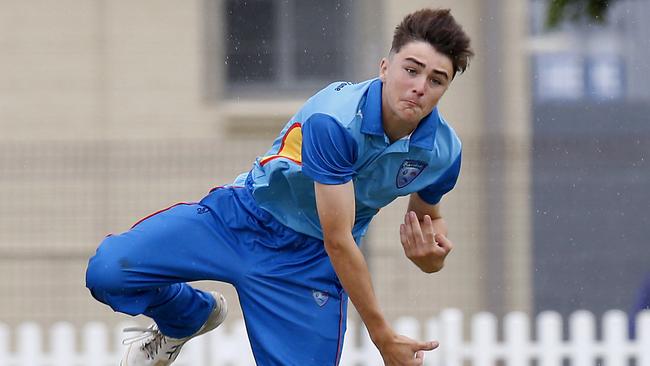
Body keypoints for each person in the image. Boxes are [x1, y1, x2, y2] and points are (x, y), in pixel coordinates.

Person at [85, 8, 473, 366]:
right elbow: (339, 240)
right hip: (241, 219)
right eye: (412, 69)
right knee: (108, 272)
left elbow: (427, 216)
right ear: (385, 67)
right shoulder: (335, 121)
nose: (420, 86)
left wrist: (431, 257)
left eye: (436, 80)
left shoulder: (443, 151)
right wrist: (382, 334)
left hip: (308, 265)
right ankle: (187, 314)